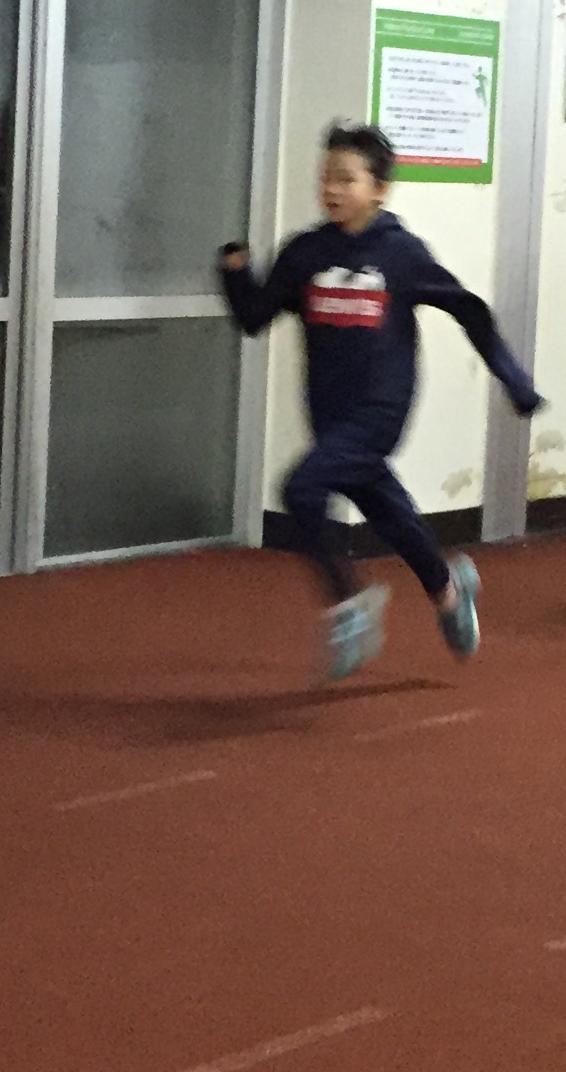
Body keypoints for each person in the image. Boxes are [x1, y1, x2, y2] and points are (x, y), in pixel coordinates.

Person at [221, 122, 538, 681]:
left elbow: (468, 311)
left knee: (301, 489)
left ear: (380, 188)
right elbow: (254, 317)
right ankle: (448, 589)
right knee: (388, 513)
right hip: (328, 413)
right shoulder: (306, 252)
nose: (331, 188)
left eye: (347, 178)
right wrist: (237, 275)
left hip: (380, 411)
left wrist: (513, 379)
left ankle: (349, 605)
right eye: (326, 177)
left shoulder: (402, 255)